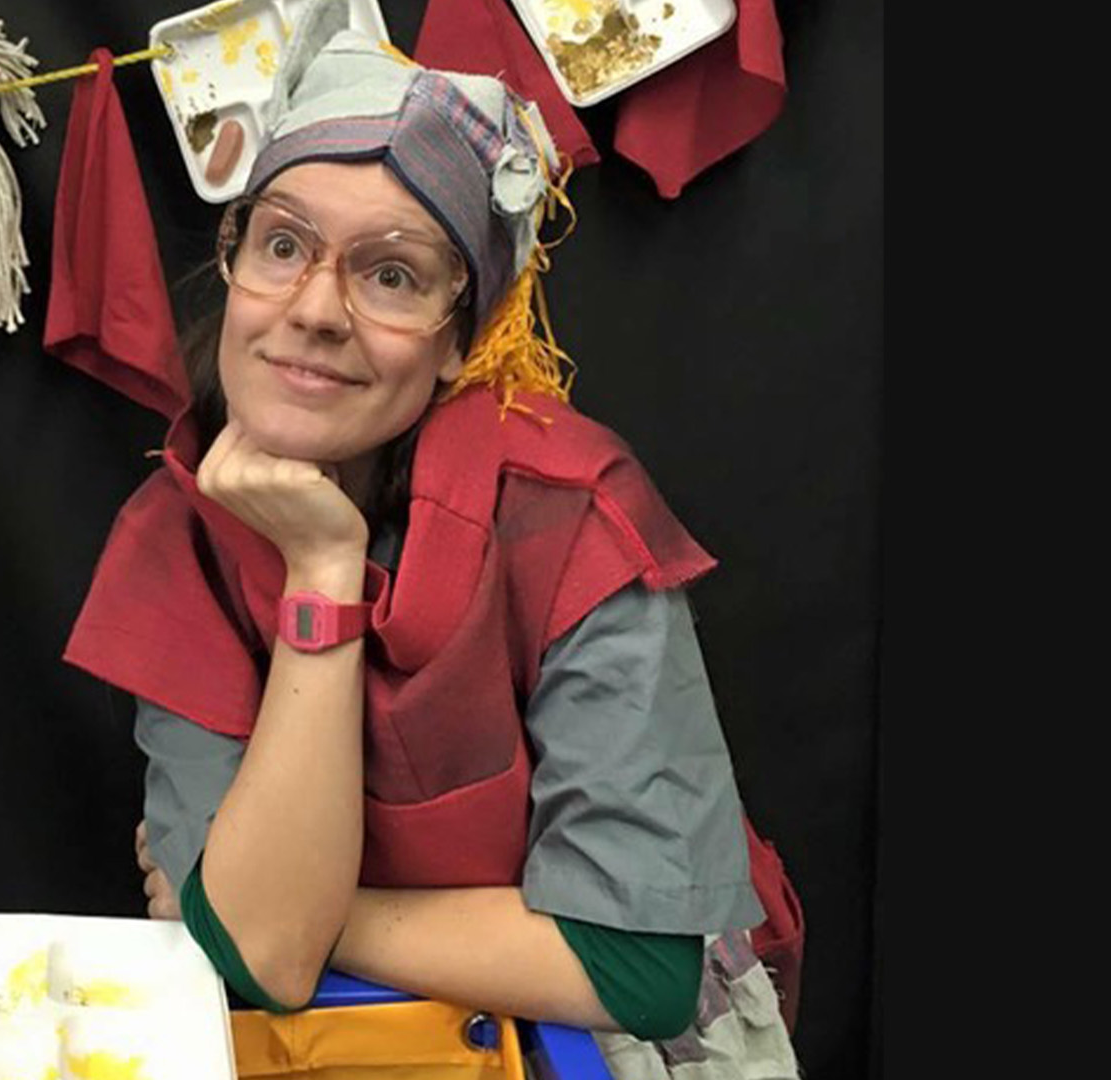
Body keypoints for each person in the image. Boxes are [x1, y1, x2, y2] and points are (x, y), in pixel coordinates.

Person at [64, 2, 798, 1074]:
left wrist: (293, 908)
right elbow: (261, 962)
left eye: (391, 274)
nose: (315, 308)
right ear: (233, 266)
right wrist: (322, 570)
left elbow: (636, 970)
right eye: (282, 245)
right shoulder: (175, 534)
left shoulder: (573, 518)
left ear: (461, 337)